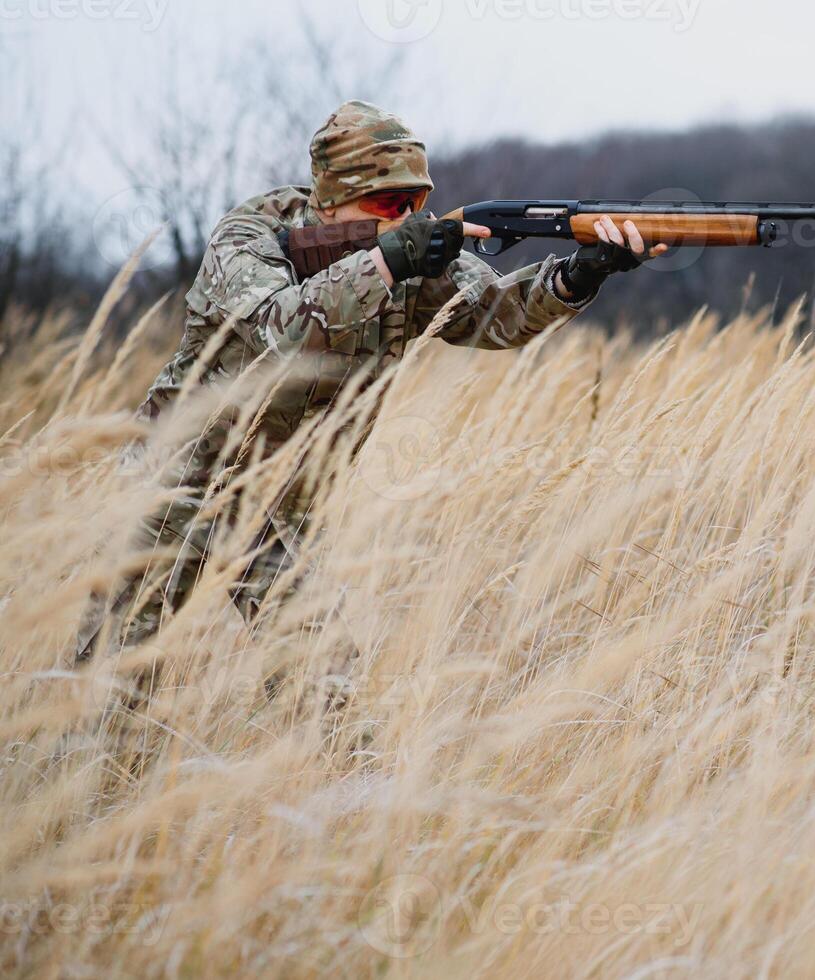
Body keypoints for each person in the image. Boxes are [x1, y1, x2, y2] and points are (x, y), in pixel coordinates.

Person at [77, 100, 665, 661]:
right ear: (332, 201)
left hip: (277, 505)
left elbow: (497, 315)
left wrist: (578, 274)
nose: (407, 217)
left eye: (416, 199)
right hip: (174, 483)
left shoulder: (410, 252)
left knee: (325, 692)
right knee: (107, 686)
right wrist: (387, 262)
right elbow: (281, 329)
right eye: (387, 203)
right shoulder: (249, 238)